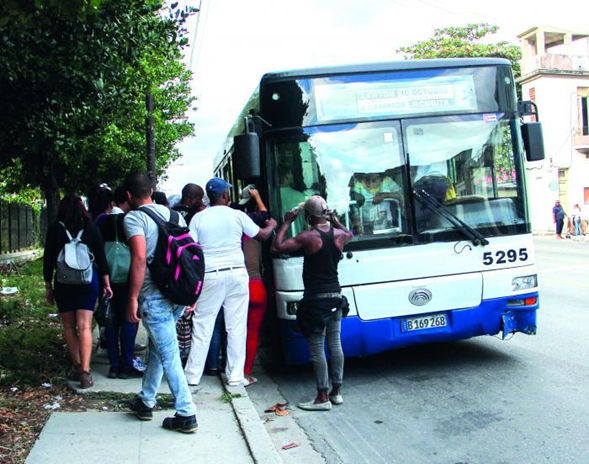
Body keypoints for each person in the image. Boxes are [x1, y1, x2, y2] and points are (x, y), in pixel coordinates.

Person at [123, 171, 197, 433]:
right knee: (158, 348)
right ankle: (146, 401)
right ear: (152, 191)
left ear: (129, 196)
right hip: (178, 294)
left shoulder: (134, 219)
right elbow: (190, 253)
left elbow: (139, 259)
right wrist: (193, 293)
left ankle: (186, 412)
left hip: (155, 297)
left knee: (169, 354)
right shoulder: (174, 215)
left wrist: (132, 298)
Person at [184, 178, 276, 387]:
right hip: (236, 274)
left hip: (211, 274)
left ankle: (192, 376)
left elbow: (191, 248)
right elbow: (261, 235)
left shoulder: (198, 218)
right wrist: (271, 224)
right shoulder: (238, 215)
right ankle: (235, 377)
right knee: (236, 327)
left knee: (203, 326)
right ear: (225, 195)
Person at [271, 195, 353, 411]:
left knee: (317, 348)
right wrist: (335, 220)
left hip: (316, 300)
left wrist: (287, 221)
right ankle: (337, 392)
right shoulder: (339, 235)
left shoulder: (308, 237)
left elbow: (277, 246)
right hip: (336, 296)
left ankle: (322, 397)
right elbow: (350, 234)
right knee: (335, 345)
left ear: (308, 216)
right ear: (325, 214)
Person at [43, 194, 113, 389]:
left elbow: (48, 259)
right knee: (85, 327)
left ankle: (75, 365)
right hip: (87, 282)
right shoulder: (90, 227)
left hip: (63, 283)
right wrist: (106, 283)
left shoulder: (55, 229)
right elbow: (100, 257)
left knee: (68, 327)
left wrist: (48, 286)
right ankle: (85, 371)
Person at [99, 186, 142, 379]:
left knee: (110, 321)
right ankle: (127, 364)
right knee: (129, 320)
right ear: (127, 199)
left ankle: (114, 365)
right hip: (127, 277)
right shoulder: (130, 221)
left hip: (106, 277)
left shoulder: (102, 221)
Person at [173, 183, 206, 367]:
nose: (201, 202)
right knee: (192, 316)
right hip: (191, 270)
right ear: (192, 198)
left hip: (175, 271)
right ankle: (188, 356)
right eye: (199, 198)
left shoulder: (171, 214)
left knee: (179, 318)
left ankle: (179, 352)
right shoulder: (195, 217)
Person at [241, 187, 271, 386]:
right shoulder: (258, 232)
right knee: (252, 333)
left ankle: (233, 370)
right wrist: (258, 197)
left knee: (235, 332)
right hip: (258, 287)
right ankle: (246, 374)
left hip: (239, 288)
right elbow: (265, 216)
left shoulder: (234, 233)